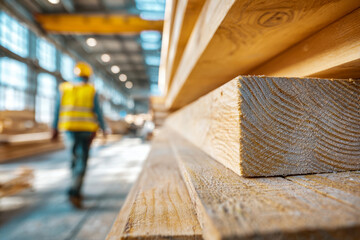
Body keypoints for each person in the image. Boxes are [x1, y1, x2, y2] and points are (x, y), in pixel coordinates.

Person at [52, 62, 106, 208]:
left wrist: (54, 128)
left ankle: (74, 187)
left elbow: (57, 108)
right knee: (82, 160)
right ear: (88, 76)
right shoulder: (91, 90)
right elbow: (98, 112)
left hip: (68, 128)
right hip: (86, 130)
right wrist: (103, 128)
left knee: (74, 158)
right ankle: (74, 191)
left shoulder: (64, 88)